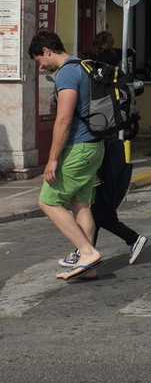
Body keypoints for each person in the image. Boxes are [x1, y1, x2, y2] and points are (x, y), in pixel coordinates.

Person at [29, 31, 106, 281]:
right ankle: (89, 267)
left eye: (39, 60)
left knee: (48, 201)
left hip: (78, 148)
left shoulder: (67, 73)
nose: (41, 67)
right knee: (80, 204)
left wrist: (52, 159)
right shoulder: (83, 65)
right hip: (94, 147)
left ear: (47, 51)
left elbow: (63, 120)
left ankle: (87, 252)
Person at [59, 134, 147, 269]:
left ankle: (82, 254)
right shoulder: (96, 134)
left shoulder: (87, 137)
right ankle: (133, 239)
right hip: (102, 186)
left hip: (97, 187)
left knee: (93, 221)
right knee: (107, 220)